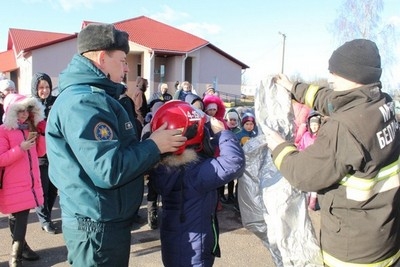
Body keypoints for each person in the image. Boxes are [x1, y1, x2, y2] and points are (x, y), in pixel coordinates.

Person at [45, 23, 187, 267]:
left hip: (103, 219)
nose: (126, 67)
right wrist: (154, 147)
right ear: (102, 58)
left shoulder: (96, 97)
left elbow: (118, 152)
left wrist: (155, 147)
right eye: (122, 60)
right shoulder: (85, 102)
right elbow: (108, 169)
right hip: (96, 225)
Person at [266, 39, 400, 266]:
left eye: (335, 72)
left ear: (353, 75)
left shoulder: (344, 128)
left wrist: (279, 146)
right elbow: (329, 99)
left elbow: (304, 174)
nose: (330, 77)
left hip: (353, 252)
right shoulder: (381, 103)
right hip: (385, 238)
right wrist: (293, 87)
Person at [148, 100, 245, 267]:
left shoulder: (166, 166)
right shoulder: (194, 173)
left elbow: (204, 152)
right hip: (194, 252)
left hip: (177, 245)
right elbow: (233, 162)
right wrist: (223, 133)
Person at [0, 93, 46, 266]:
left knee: (17, 218)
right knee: (20, 219)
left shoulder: (30, 129)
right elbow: (1, 158)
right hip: (13, 183)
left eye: (26, 110)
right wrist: (21, 148)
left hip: (30, 182)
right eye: (19, 111)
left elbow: (41, 153)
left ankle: (22, 249)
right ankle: (15, 257)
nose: (24, 114)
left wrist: (40, 134)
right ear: (11, 112)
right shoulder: (3, 131)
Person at [31, 72, 58, 235]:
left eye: (47, 87)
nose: (45, 90)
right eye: (41, 87)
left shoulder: (56, 102)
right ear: (35, 89)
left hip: (55, 152)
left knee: (54, 188)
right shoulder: (31, 107)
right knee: (42, 187)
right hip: (39, 153)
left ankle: (47, 214)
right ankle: (44, 219)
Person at [297, 110, 322, 210]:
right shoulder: (306, 136)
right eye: (312, 125)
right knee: (307, 183)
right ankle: (306, 200)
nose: (314, 127)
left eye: (316, 124)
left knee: (315, 185)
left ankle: (313, 202)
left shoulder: (321, 137)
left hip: (317, 164)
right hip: (307, 163)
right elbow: (301, 147)